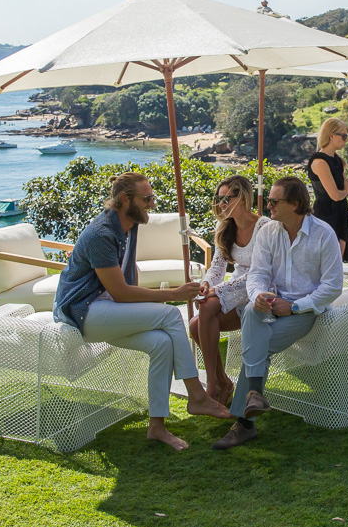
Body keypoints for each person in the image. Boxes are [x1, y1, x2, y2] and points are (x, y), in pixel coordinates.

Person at [52, 173, 231, 451]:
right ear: (125, 200)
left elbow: (127, 277)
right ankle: (197, 394)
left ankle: (156, 427)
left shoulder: (130, 225)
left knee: (160, 344)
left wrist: (145, 305)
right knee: (170, 315)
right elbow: (122, 292)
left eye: (152, 197)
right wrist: (172, 294)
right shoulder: (101, 234)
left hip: (106, 308)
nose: (152, 204)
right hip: (82, 312)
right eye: (146, 198)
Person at [212, 175, 345, 449]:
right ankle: (254, 399)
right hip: (272, 304)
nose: (268, 206)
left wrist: (295, 306)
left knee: (257, 343)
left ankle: (245, 421)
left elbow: (333, 287)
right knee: (250, 311)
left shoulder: (323, 234)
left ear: (295, 203)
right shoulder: (269, 232)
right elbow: (257, 274)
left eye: (274, 201)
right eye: (269, 200)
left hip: (307, 311)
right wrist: (257, 295)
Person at [190, 174, 270, 407]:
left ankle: (212, 384)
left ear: (243, 198)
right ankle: (223, 381)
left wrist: (219, 291)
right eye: (219, 198)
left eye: (226, 199)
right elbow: (216, 268)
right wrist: (207, 284)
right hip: (235, 286)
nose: (221, 204)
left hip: (259, 287)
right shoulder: (225, 227)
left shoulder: (264, 226)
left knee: (207, 306)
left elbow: (261, 271)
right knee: (195, 325)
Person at [307, 117, 348, 262]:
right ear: (331, 135)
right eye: (343, 136)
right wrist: (344, 191)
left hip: (341, 214)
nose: (345, 140)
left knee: (337, 264)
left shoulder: (337, 160)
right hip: (325, 217)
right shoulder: (319, 161)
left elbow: (344, 192)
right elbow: (335, 195)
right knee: (326, 264)